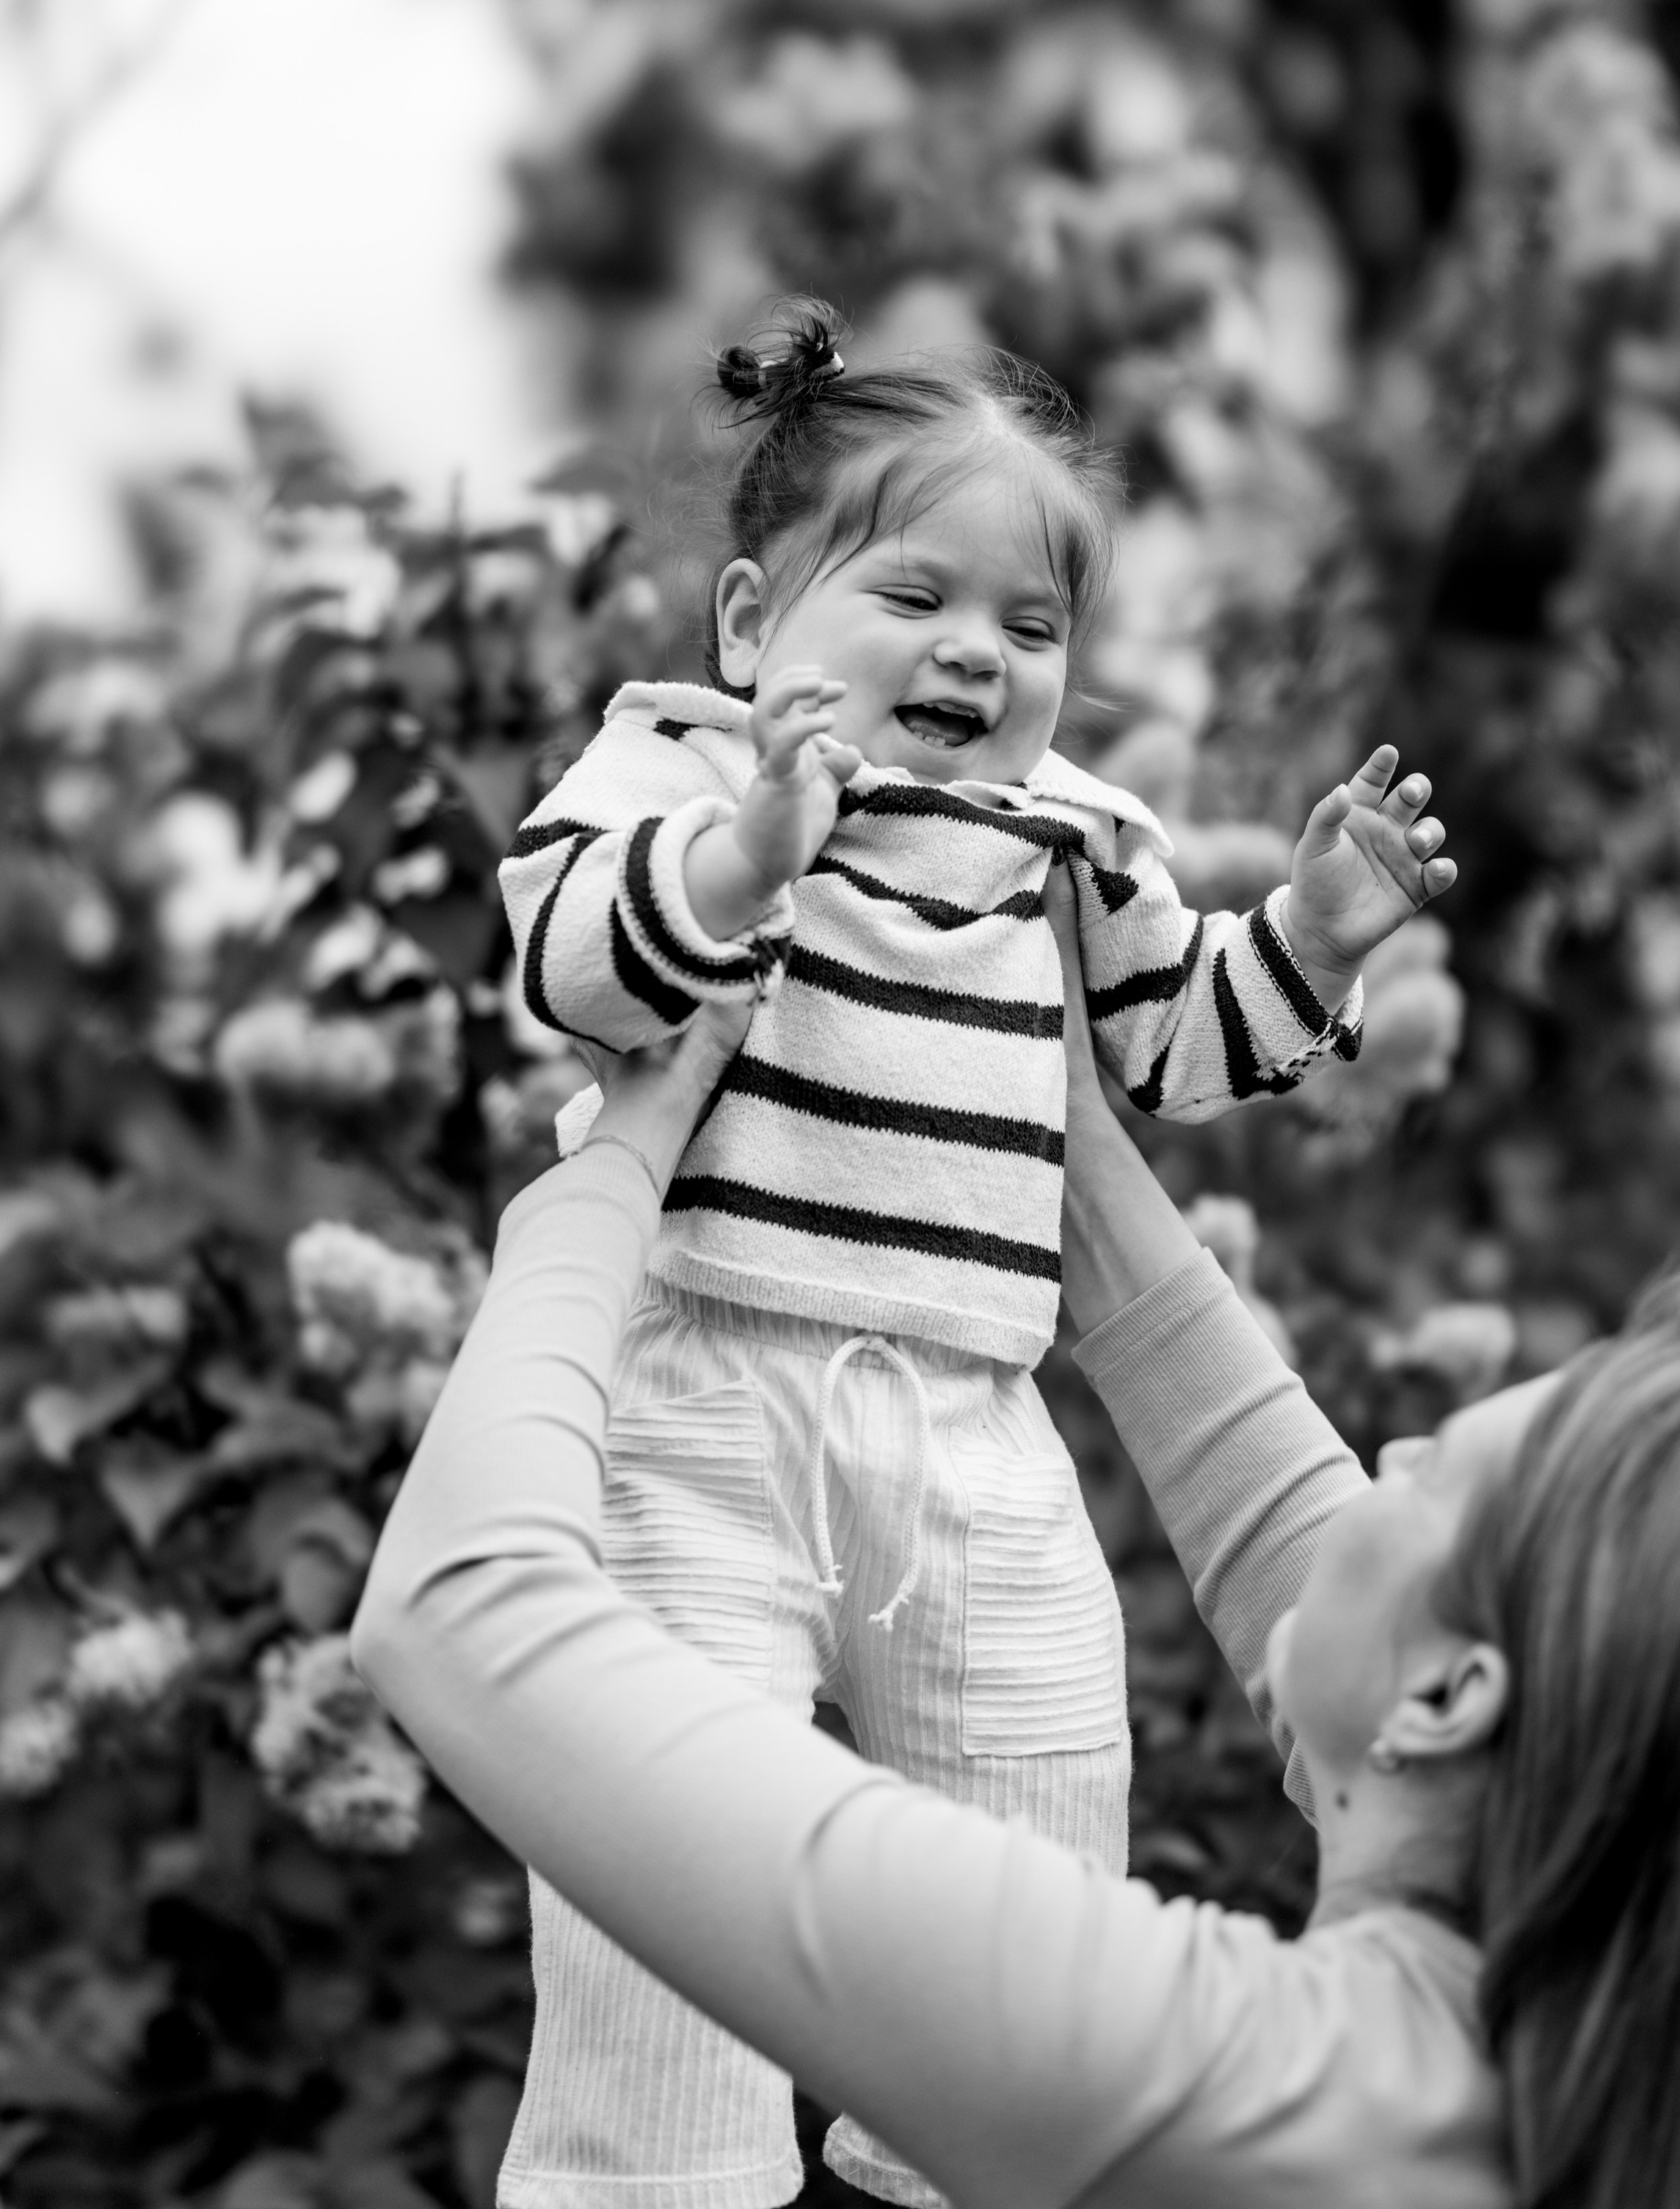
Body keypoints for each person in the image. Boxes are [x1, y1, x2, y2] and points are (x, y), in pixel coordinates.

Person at [354, 875, 1680, 2209]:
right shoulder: (1624, 2081)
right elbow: (1289, 1531)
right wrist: (1038, 1120)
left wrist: (617, 1162)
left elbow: (463, 1612)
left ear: (1443, 1699)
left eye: (1422, 1469)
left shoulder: (1220, 2074)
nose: (1378, 1462)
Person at [492, 302, 1456, 2204]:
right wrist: (740, 860)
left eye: (1031, 625)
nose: (976, 652)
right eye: (915, 594)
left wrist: (1312, 940)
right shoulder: (682, 766)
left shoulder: (1069, 835)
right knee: (665, 1864)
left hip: (973, 1422)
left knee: (1035, 1806)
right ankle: (652, 2173)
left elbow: (1170, 1044)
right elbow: (567, 958)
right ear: (753, 620)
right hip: (710, 1404)